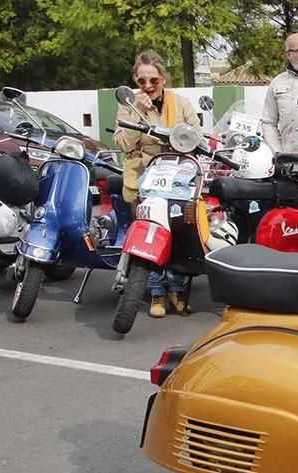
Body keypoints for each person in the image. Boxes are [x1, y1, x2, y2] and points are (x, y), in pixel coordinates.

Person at [113, 50, 200, 319]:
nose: (148, 87)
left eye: (154, 81)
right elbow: (122, 143)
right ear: (135, 81)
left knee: (177, 234)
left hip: (176, 178)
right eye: (142, 81)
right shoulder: (129, 105)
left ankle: (175, 288)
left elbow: (197, 134)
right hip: (142, 177)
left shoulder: (181, 103)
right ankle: (156, 291)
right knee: (146, 234)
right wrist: (137, 112)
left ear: (163, 78)